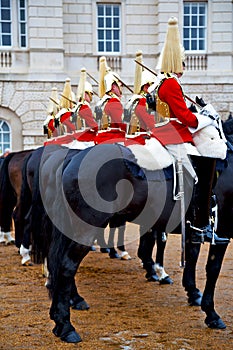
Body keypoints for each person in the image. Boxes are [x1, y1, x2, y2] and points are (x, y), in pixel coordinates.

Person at [147, 17, 228, 244]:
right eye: (182, 63)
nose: (184, 67)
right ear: (175, 63)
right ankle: (196, 222)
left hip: (162, 130)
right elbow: (184, 117)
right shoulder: (171, 83)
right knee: (194, 174)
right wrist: (204, 119)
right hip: (174, 133)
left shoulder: (159, 82)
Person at [125, 50, 158, 134]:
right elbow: (152, 125)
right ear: (146, 86)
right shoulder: (143, 101)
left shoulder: (135, 100)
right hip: (141, 140)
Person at [95, 56, 125, 131]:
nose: (121, 88)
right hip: (113, 138)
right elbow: (120, 123)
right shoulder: (114, 102)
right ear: (113, 86)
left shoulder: (105, 101)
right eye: (119, 85)